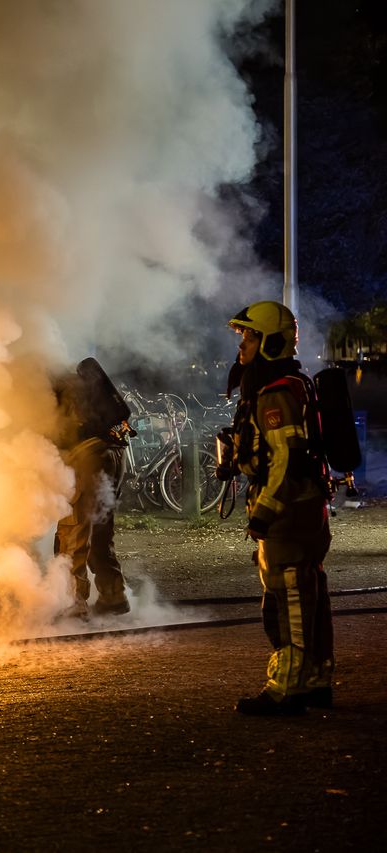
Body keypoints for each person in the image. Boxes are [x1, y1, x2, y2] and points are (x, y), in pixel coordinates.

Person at [225, 300, 334, 716]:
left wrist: (264, 511)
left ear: (270, 341)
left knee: (288, 596)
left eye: (250, 336)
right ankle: (316, 678)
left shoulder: (274, 392)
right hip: (307, 507)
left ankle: (286, 688)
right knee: (310, 592)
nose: (243, 345)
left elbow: (284, 458)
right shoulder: (293, 382)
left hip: (289, 511)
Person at [53, 360, 132, 620]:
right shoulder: (74, 379)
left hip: (87, 456)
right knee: (100, 527)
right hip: (114, 455)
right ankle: (113, 595)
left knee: (73, 531)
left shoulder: (44, 386)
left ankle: (74, 602)